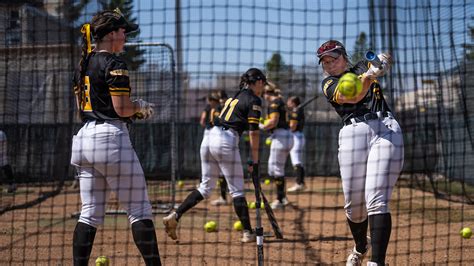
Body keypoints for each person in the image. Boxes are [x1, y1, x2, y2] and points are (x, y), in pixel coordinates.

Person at [70, 9, 161, 265]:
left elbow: (86, 106)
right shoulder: (114, 63)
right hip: (109, 139)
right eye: (123, 31)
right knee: (139, 210)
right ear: (111, 34)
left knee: (89, 214)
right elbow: (121, 109)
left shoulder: (83, 64)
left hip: (84, 140)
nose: (125, 37)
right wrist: (140, 107)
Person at [317, 40, 404, 266]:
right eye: (325, 62)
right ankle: (360, 246)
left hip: (385, 128)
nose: (329, 65)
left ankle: (377, 262)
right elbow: (354, 96)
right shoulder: (328, 83)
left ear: (344, 57)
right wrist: (369, 77)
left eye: (333, 59)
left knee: (376, 199)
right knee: (355, 207)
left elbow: (385, 55)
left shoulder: (362, 65)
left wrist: (381, 63)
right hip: (352, 133)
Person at [163, 68, 266, 243]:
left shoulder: (235, 97)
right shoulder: (254, 99)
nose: (263, 87)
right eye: (262, 83)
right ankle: (248, 232)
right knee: (237, 190)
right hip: (226, 139)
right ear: (257, 82)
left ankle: (175, 215)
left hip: (209, 138)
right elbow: (254, 132)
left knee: (206, 186)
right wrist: (254, 160)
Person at [260, 82, 294, 209]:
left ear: (267, 93)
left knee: (276, 169)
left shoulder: (274, 103)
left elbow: (273, 121)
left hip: (280, 137)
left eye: (264, 94)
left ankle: (280, 200)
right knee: (275, 168)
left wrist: (263, 126)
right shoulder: (281, 101)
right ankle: (282, 198)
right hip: (286, 136)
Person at [210, 89, 230, 206]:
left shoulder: (229, 108)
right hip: (219, 140)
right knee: (222, 171)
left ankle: (230, 195)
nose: (221, 101)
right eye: (219, 99)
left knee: (227, 170)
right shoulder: (216, 109)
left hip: (227, 141)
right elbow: (213, 122)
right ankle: (223, 197)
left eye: (223, 98)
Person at [286, 96, 307, 192]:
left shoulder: (295, 111)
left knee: (296, 161)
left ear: (294, 103)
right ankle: (301, 183)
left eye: (289, 101)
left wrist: (284, 130)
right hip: (298, 136)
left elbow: (293, 127)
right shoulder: (296, 111)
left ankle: (299, 183)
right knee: (299, 161)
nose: (287, 103)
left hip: (295, 137)